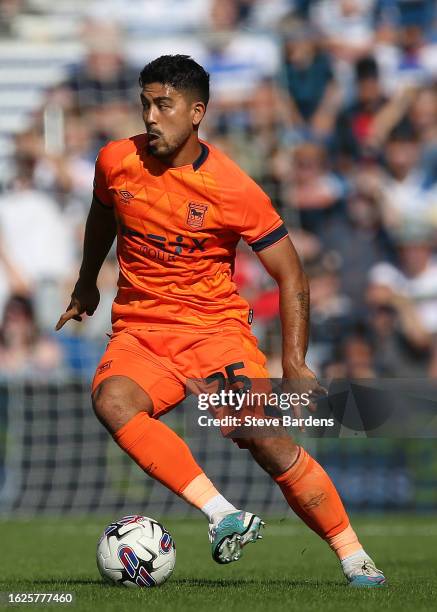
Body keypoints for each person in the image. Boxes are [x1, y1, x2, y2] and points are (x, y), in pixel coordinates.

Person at [56, 55, 385, 586]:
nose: (150, 117)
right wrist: (86, 280)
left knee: (269, 441)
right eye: (145, 103)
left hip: (216, 334)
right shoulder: (116, 161)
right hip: (142, 333)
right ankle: (222, 513)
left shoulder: (234, 188)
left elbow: (292, 274)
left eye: (163, 105)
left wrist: (294, 360)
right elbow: (101, 213)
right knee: (112, 401)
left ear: (196, 113)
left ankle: (355, 557)